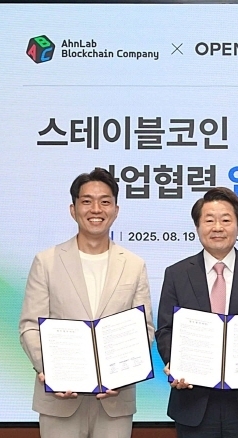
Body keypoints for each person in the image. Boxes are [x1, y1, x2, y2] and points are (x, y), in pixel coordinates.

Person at [19, 168, 154, 438]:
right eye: (87, 201)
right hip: (60, 399)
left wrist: (123, 374)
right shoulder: (46, 261)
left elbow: (144, 329)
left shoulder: (134, 265)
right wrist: (51, 370)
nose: (96, 209)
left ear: (116, 210)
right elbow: (30, 327)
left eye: (105, 202)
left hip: (115, 400)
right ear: (73, 209)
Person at [156, 187, 238, 438]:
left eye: (226, 220)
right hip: (193, 401)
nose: (217, 227)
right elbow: (165, 330)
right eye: (209, 220)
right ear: (197, 226)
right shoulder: (176, 274)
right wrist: (177, 365)